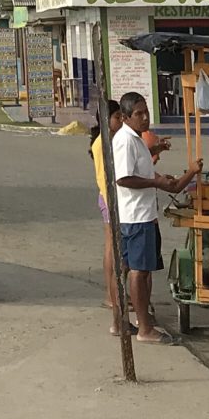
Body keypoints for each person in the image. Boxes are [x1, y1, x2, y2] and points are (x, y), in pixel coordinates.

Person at [113, 91, 199, 342]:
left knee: (135, 269)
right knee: (139, 272)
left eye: (146, 112)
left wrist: (156, 157)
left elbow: (140, 167)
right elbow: (124, 178)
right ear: (126, 117)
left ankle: (131, 321)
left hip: (140, 214)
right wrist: (159, 182)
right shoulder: (126, 140)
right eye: (139, 114)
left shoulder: (136, 139)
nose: (145, 117)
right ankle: (144, 329)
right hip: (135, 216)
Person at [88, 101, 124, 325]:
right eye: (117, 117)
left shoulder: (109, 140)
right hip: (110, 197)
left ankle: (114, 294)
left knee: (113, 244)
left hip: (110, 196)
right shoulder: (104, 143)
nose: (121, 121)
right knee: (112, 245)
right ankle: (112, 296)